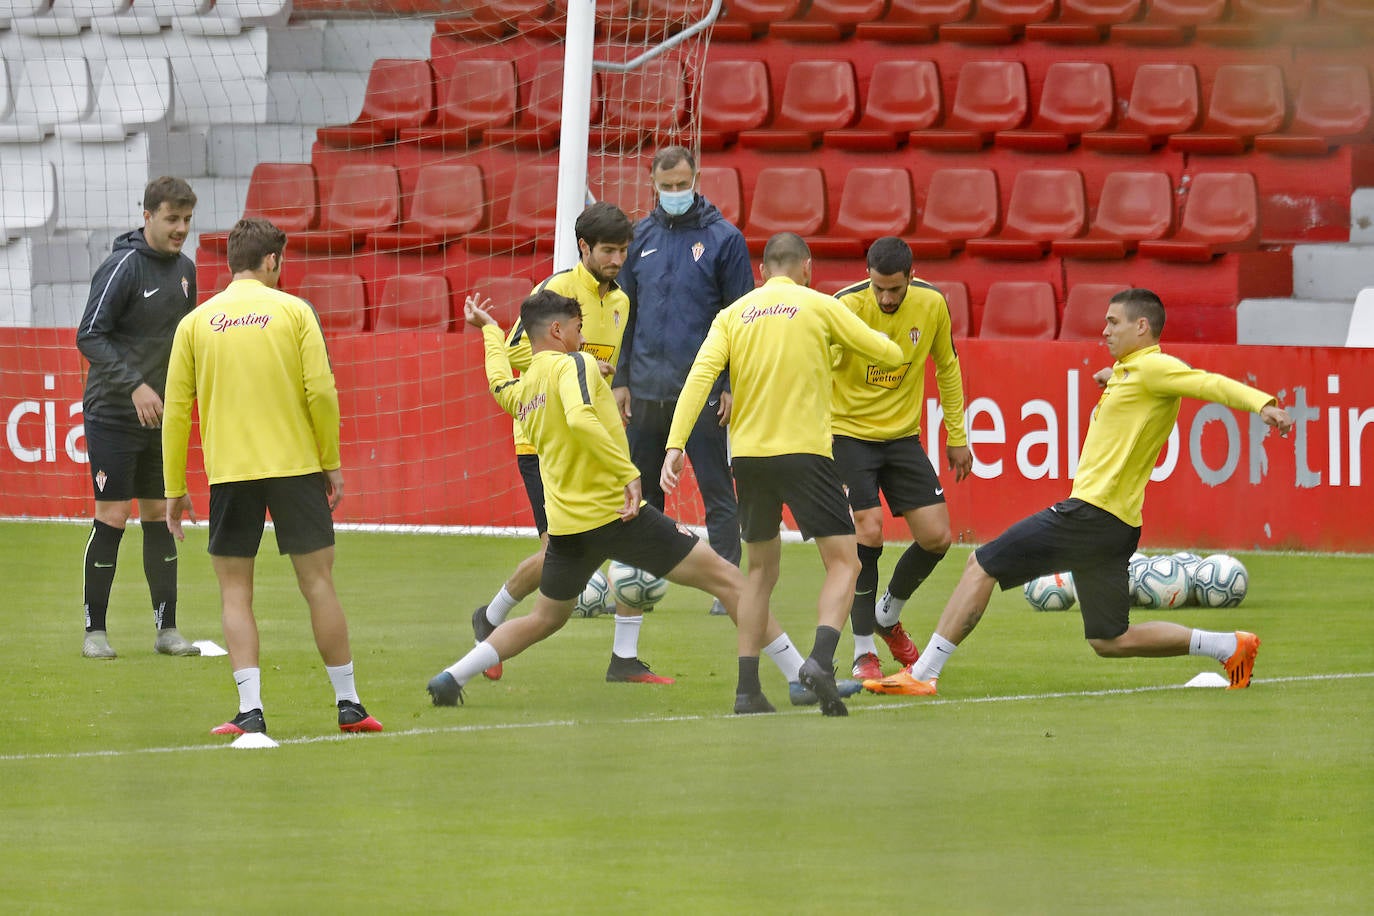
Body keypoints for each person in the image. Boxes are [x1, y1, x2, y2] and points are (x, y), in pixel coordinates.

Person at [866, 288, 1294, 697]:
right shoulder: (1134, 372)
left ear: (1141, 326)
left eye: (1113, 322)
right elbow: (1141, 380)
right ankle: (1229, 647)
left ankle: (923, 673)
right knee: (1110, 639)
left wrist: (1264, 405)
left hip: (1091, 514)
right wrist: (1116, 375)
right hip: (1117, 525)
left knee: (982, 563)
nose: (1104, 331)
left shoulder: (1155, 368)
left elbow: (1209, 383)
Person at [430, 290, 817, 715]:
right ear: (557, 330)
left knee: (545, 619)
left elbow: (497, 379)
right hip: (617, 514)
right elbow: (580, 418)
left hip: (568, 527)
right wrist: (628, 472)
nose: (581, 340)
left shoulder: (524, 389)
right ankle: (801, 677)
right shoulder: (573, 364)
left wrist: (488, 330)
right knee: (728, 579)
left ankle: (452, 676)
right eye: (578, 330)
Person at [661, 233, 906, 716]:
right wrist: (836, 354)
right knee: (844, 563)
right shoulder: (818, 307)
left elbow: (699, 378)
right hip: (806, 453)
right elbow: (889, 355)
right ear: (807, 268)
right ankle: (818, 661)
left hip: (749, 459)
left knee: (759, 574)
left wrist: (674, 445)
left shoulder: (733, 315)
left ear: (762, 272)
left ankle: (747, 690)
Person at [162, 217, 382, 736]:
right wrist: (331, 462)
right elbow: (322, 393)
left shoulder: (196, 322)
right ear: (271, 262)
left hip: (231, 474)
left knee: (235, 593)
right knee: (319, 584)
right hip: (296, 467)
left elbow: (176, 411)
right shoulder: (294, 311)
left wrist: (175, 488)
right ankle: (349, 704)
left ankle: (251, 710)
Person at [470, 202, 675, 686]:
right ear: (584, 247)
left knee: (633, 533)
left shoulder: (622, 301)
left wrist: (609, 384)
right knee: (554, 555)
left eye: (624, 250)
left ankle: (624, 657)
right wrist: (577, 362)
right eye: (608, 250)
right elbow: (525, 348)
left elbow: (606, 363)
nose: (617, 259)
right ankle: (491, 618)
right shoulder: (556, 291)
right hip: (548, 440)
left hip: (598, 439)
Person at [613, 145, 754, 615]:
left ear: (697, 179)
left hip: (703, 391)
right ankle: (644, 580)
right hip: (647, 389)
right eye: (666, 186)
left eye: (682, 185)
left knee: (717, 490)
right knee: (644, 491)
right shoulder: (639, 237)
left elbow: (741, 317)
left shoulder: (725, 239)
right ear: (652, 182)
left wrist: (731, 383)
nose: (675, 193)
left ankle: (726, 585)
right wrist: (622, 379)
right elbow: (625, 316)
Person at [830, 237, 973, 682]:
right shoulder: (845, 306)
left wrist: (958, 434)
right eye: (879, 289)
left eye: (895, 289)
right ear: (868, 277)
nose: (887, 298)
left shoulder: (932, 305)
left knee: (937, 538)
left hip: (900, 438)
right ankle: (862, 651)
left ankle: (886, 615)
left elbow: (946, 366)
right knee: (868, 531)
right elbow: (816, 366)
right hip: (848, 433)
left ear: (911, 277)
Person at [76, 176, 201, 660]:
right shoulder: (122, 266)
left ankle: (167, 630)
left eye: (187, 220)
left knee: (159, 516)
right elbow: (89, 334)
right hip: (113, 411)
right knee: (113, 515)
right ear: (147, 216)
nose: (180, 229)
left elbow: (185, 345)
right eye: (172, 219)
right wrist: (135, 384)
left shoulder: (186, 270)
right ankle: (95, 632)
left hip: (160, 419)